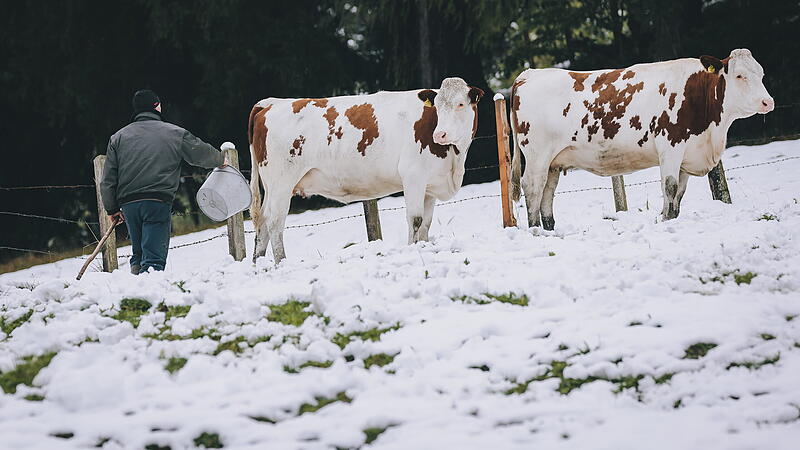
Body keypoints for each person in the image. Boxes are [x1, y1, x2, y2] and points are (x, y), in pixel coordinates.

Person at [101, 89, 226, 274]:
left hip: (129, 205)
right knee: (153, 261)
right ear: (156, 106)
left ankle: (135, 290)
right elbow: (200, 153)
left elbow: (108, 179)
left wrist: (112, 208)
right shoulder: (173, 132)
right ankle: (148, 295)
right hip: (156, 202)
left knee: (139, 254)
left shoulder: (118, 138)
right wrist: (221, 159)